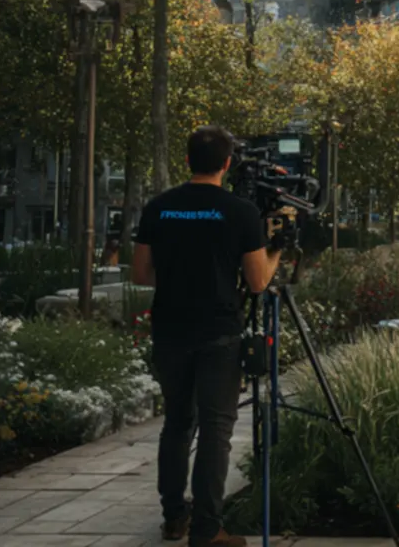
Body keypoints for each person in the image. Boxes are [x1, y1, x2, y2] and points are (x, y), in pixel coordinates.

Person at [133, 127, 279, 547]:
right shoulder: (240, 211)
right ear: (227, 164)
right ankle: (208, 529)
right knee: (216, 430)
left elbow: (141, 274)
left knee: (177, 425)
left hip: (170, 330)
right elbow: (256, 282)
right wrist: (277, 252)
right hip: (218, 333)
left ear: (186, 161)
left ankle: (174, 518)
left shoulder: (159, 207)